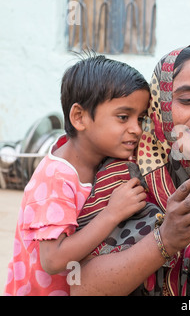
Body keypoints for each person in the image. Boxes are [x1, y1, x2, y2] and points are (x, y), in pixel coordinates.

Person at [69, 45, 190, 296]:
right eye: (188, 99)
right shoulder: (124, 179)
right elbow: (81, 287)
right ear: (160, 104)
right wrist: (166, 240)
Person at [4, 55, 151, 295]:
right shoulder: (57, 176)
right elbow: (53, 260)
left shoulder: (105, 162)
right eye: (124, 117)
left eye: (141, 119)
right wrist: (111, 213)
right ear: (79, 117)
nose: (136, 129)